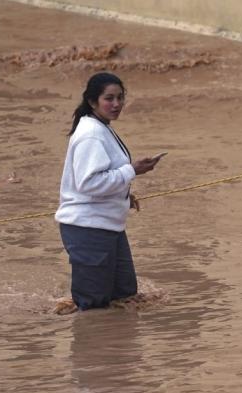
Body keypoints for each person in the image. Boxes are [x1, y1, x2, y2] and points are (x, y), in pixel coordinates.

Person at [55, 72, 162, 311]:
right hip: (88, 229)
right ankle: (94, 345)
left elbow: (99, 179)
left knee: (125, 294)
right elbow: (89, 183)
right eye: (109, 98)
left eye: (120, 98)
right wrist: (132, 170)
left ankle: (118, 345)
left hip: (107, 227)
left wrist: (123, 195)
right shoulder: (91, 134)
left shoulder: (100, 127)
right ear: (93, 102)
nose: (116, 104)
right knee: (93, 306)